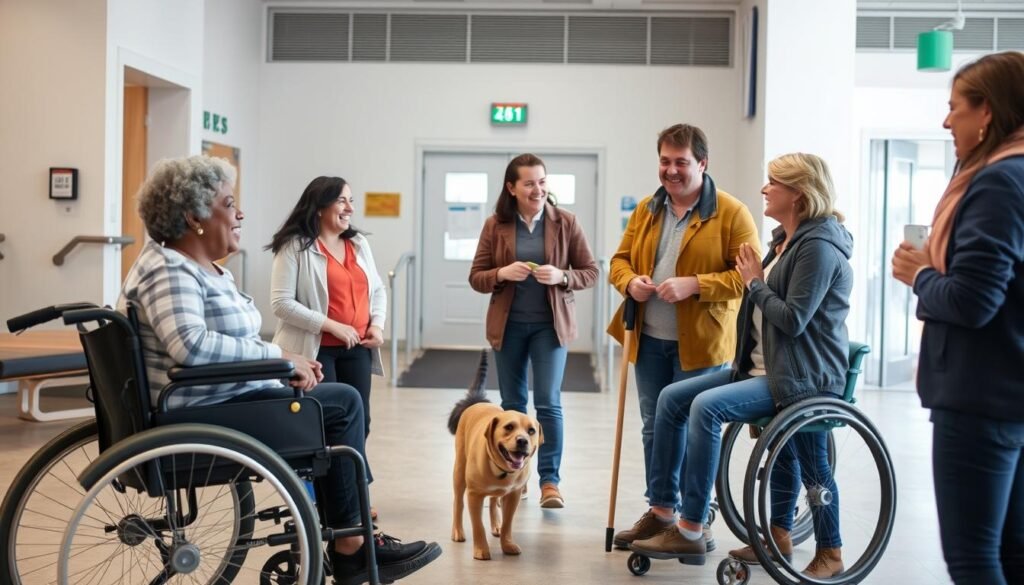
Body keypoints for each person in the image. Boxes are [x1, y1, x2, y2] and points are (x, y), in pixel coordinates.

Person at [119, 155, 440, 585]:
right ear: (194, 215)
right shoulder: (169, 269)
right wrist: (281, 361)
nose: (240, 214)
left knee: (333, 403)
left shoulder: (196, 268)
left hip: (217, 399)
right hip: (205, 409)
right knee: (342, 403)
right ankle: (351, 546)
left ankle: (347, 531)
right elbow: (191, 345)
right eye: (229, 204)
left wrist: (278, 368)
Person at [626, 153, 852, 578]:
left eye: (773, 183)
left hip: (802, 377)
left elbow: (793, 319)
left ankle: (697, 528)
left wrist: (753, 281)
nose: (765, 189)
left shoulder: (819, 249)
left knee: (713, 412)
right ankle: (666, 512)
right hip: (766, 369)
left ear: (799, 195)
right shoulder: (785, 240)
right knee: (672, 399)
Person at [892, 51, 1024, 585]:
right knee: (1013, 552)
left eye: (955, 108)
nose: (947, 122)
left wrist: (921, 275)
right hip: (1008, 392)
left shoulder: (996, 183)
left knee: (972, 558)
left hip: (980, 393)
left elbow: (973, 300)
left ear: (986, 112)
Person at [609, 123, 759, 548]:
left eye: (681, 162)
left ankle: (697, 513)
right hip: (649, 337)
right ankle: (660, 512)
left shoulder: (731, 212)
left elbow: (748, 277)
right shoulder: (647, 209)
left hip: (701, 344)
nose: (671, 170)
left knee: (695, 428)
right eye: (665, 161)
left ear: (702, 163)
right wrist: (629, 282)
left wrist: (695, 284)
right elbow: (618, 260)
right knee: (654, 428)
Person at [468, 153, 598, 508]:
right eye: (529, 183)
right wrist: (500, 274)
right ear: (511, 188)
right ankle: (515, 476)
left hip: (549, 328)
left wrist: (563, 276)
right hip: (508, 327)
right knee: (511, 406)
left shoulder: (566, 222)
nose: (538, 189)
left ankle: (550, 482)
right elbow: (476, 277)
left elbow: (590, 271)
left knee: (548, 403)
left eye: (542, 182)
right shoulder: (495, 225)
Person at [268, 176, 387, 441]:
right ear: (320, 206)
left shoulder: (358, 244)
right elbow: (281, 303)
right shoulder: (295, 246)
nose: (350, 208)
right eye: (341, 201)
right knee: (325, 423)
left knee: (360, 422)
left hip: (357, 349)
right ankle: (329, 482)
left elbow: (377, 289)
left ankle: (351, 480)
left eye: (351, 201)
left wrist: (377, 325)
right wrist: (332, 325)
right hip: (316, 349)